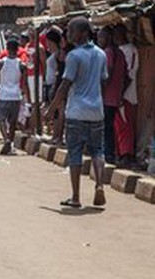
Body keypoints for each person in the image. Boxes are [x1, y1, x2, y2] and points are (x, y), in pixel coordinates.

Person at [45, 17, 107, 208]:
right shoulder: (101, 54)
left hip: (77, 112)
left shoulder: (74, 56)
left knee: (75, 153)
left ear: (84, 33)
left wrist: (51, 109)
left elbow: (65, 85)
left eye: (72, 31)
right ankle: (99, 185)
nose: (69, 35)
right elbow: (103, 81)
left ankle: (76, 196)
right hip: (97, 111)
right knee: (97, 150)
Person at [97, 27, 126, 164]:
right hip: (115, 97)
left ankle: (107, 154)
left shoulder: (107, 53)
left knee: (105, 127)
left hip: (106, 97)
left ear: (108, 38)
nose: (99, 40)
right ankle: (111, 154)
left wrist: (100, 91)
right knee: (110, 126)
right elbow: (125, 75)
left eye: (101, 37)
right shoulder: (120, 52)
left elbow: (106, 74)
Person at [0, 38, 29, 155]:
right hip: (16, 95)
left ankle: (6, 139)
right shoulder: (22, 64)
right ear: (17, 49)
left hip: (3, 94)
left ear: (7, 49)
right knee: (13, 122)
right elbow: (24, 82)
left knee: (1, 119)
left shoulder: (0, 63)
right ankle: (10, 143)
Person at [113, 24, 139, 168]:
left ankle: (126, 154)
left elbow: (130, 74)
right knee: (118, 125)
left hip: (127, 95)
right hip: (118, 94)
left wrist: (120, 94)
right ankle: (121, 153)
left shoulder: (130, 50)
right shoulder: (119, 50)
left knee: (125, 126)